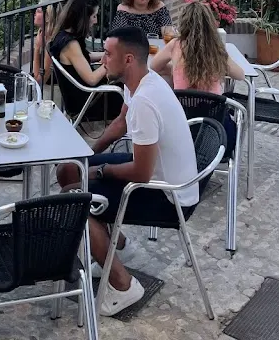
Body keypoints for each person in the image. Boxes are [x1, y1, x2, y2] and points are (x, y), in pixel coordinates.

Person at [58, 27, 200, 317]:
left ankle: (123, 285)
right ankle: (115, 246)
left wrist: (101, 172)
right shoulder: (138, 83)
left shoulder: (146, 101)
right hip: (157, 177)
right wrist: (90, 154)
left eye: (108, 54)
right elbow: (121, 122)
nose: (102, 60)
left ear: (129, 59)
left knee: (73, 201)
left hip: (170, 197)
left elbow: (141, 173)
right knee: (70, 170)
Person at [151, 0, 244, 151]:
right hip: (214, 133)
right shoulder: (217, 50)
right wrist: (220, 67)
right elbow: (240, 75)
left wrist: (175, 68)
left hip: (181, 130)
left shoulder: (175, 45)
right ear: (210, 24)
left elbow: (154, 66)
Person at [48, 0, 113, 119]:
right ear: (83, 18)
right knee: (130, 94)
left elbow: (85, 57)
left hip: (84, 97)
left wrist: (108, 54)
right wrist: (111, 62)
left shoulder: (62, 35)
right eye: (93, 16)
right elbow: (92, 79)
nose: (96, 20)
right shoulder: (71, 45)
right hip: (87, 103)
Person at [32, 4, 56, 85]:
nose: (34, 14)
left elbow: (39, 81)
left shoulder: (52, 41)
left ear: (48, 17)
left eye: (38, 11)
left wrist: (37, 48)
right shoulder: (42, 34)